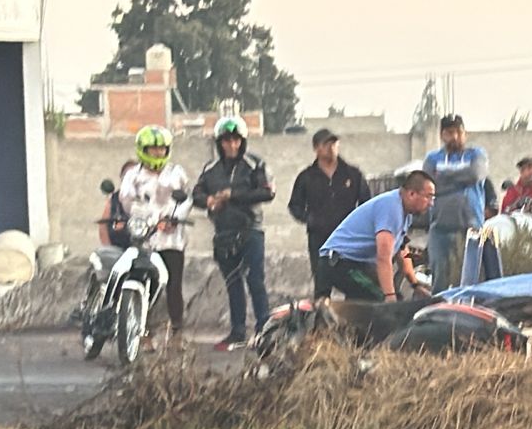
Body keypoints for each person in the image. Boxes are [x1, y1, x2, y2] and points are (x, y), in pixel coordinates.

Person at [193, 116, 274, 351]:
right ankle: (237, 331)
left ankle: (264, 331)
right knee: (232, 284)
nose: (232, 145)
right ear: (219, 143)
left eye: (236, 140)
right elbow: (195, 194)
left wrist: (232, 195)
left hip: (250, 231)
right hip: (223, 233)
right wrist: (208, 201)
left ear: (243, 141)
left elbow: (267, 192)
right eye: (227, 141)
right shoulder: (210, 169)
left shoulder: (254, 164)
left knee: (255, 281)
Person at [119, 125, 193, 347]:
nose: (158, 153)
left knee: (173, 286)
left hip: (172, 239)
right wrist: (146, 217)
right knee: (145, 285)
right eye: (153, 149)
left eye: (162, 149)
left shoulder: (177, 173)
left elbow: (187, 199)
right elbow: (127, 200)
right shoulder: (133, 175)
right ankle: (144, 333)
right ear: (143, 150)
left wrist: (174, 218)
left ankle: (177, 332)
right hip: (145, 238)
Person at [318, 171, 436, 302]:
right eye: (428, 197)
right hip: (339, 262)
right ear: (412, 194)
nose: (431, 203)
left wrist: (416, 285)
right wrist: (389, 297)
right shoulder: (391, 208)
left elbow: (402, 251)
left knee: (394, 299)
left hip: (358, 263)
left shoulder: (406, 214)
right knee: (381, 299)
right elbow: (383, 257)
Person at [288, 127, 371, 299]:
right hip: (319, 238)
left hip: (348, 239)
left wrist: (358, 225)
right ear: (316, 148)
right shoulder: (307, 177)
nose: (332, 147)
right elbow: (294, 205)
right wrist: (309, 219)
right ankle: (322, 324)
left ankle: (354, 322)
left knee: (354, 284)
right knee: (322, 285)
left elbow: (367, 203)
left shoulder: (352, 174)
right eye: (327, 144)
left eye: (334, 143)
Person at [422, 114, 489, 292]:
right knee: (439, 278)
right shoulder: (432, 158)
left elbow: (474, 175)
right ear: (442, 135)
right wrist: (461, 181)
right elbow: (428, 183)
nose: (456, 137)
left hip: (471, 226)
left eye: (459, 132)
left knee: (473, 277)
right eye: (450, 133)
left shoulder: (476, 154)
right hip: (440, 227)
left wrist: (443, 178)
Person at [98, 160, 135, 249]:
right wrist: (109, 249)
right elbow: (103, 226)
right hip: (118, 249)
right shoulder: (113, 199)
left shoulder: (151, 197)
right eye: (127, 176)